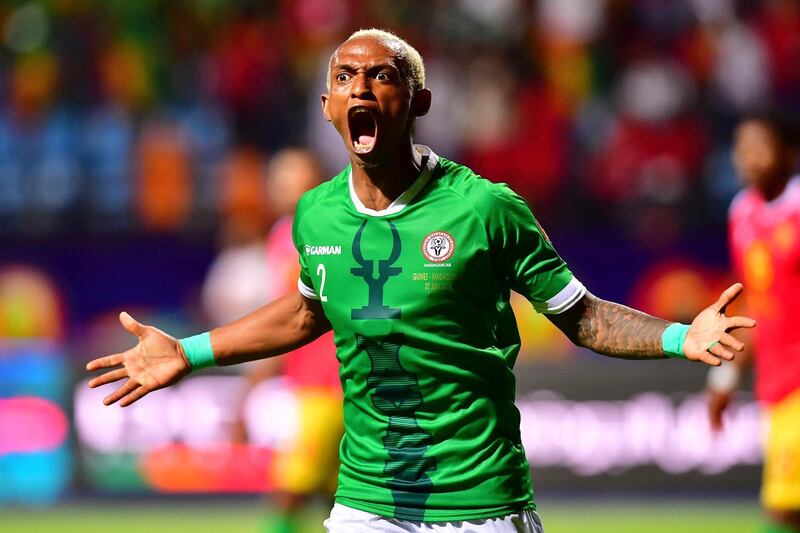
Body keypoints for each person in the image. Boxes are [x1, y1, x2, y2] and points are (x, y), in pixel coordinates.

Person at [87, 29, 756, 533]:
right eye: (345, 77)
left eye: (381, 76)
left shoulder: (485, 209)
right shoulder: (316, 214)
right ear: (326, 105)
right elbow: (305, 313)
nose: (361, 87)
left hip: (480, 504)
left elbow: (581, 316)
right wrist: (191, 351)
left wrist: (678, 334)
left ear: (419, 101)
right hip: (366, 502)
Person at [232, 148, 342, 533]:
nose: (285, 190)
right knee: (338, 497)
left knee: (290, 490)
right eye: (279, 181)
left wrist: (253, 384)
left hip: (330, 383)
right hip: (312, 384)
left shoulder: (325, 231)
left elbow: (296, 317)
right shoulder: (284, 236)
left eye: (293, 180)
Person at [707, 112, 800, 533]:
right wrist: (724, 382)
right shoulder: (742, 213)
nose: (747, 158)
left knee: (782, 507)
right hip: (774, 382)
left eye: (759, 147)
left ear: (789, 153)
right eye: (741, 148)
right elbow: (749, 303)